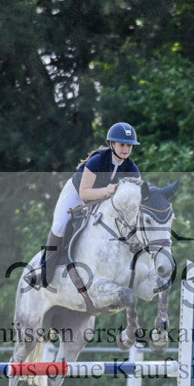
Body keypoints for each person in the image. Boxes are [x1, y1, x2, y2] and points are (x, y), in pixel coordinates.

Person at [24, 122, 142, 289]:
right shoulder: (98, 161)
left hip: (103, 199)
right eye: (122, 144)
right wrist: (108, 190)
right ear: (111, 144)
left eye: (129, 145)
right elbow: (84, 193)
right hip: (76, 193)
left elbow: (137, 195)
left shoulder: (131, 167)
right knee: (59, 226)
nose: (126, 149)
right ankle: (44, 273)